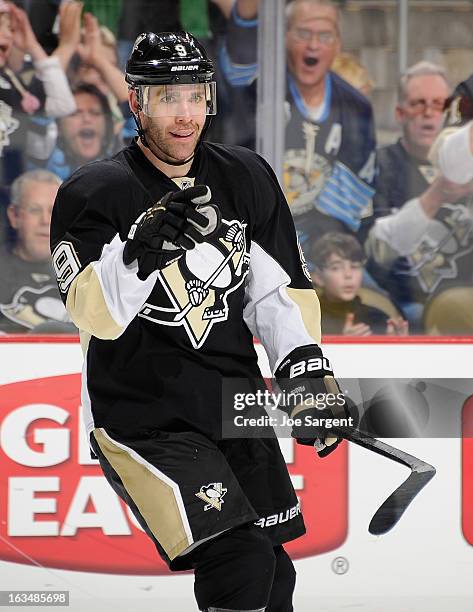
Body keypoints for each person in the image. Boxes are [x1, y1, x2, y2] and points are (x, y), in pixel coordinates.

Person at [50, 31, 352, 612]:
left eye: (194, 95)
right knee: (236, 559)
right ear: (135, 103)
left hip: (229, 405)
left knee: (272, 571)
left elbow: (279, 294)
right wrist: (137, 254)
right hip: (140, 418)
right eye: (166, 98)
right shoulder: (94, 193)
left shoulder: (247, 177)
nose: (184, 114)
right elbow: (93, 316)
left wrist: (307, 379)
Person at [220, 0, 377, 259]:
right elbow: (241, 53)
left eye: (324, 35)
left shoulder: (355, 109)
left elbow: (343, 207)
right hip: (245, 241)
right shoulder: (256, 87)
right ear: (284, 36)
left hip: (318, 253)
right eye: (303, 33)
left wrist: (301, 256)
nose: (313, 45)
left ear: (338, 44)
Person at [366, 61, 473, 331]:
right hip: (404, 303)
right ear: (400, 113)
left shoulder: (466, 159)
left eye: (438, 104)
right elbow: (376, 252)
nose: (428, 113)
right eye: (418, 104)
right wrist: (436, 195)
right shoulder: (379, 165)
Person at [0, 0, 76, 185]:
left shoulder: (12, 83)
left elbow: (63, 105)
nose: (6, 37)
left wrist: (31, 44)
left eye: (11, 29)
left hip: (9, 195)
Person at [0, 169, 71, 333]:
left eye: (53, 211)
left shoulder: (86, 274)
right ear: (14, 216)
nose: (45, 221)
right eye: (35, 210)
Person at [311, 232, 408, 336]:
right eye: (336, 267)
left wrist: (397, 343)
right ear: (318, 277)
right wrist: (341, 345)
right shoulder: (307, 319)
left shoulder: (378, 319)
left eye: (355, 267)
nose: (348, 275)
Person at [32, 82, 117, 180]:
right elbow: (41, 112)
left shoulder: (124, 163)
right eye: (75, 113)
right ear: (58, 127)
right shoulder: (45, 163)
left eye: (95, 112)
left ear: (107, 124)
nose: (87, 119)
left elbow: (133, 107)